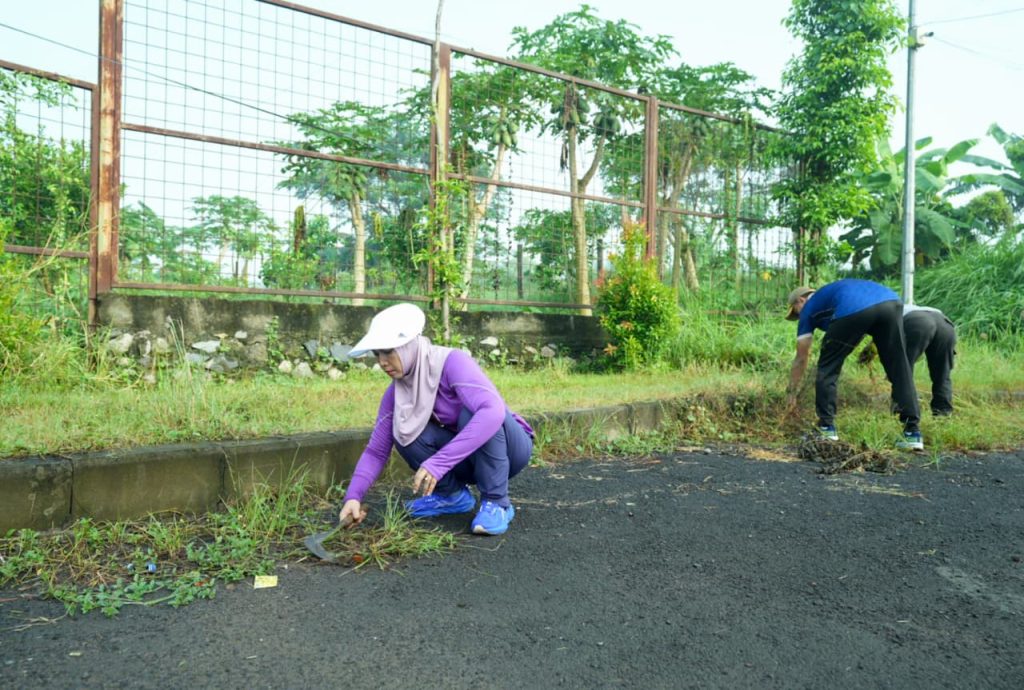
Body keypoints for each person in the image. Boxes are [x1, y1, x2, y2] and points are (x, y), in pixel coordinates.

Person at [338, 303, 533, 535]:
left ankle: (497, 501)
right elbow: (376, 451)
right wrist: (353, 497)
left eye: (389, 351)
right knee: (402, 427)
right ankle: (451, 496)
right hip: (466, 460)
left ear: (410, 345)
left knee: (472, 412)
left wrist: (439, 463)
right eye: (377, 354)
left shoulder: (452, 362)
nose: (382, 361)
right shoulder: (397, 393)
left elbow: (492, 411)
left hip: (509, 450)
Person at [785, 279, 924, 450]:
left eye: (796, 312)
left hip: (854, 308)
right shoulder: (832, 293)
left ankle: (826, 428)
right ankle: (912, 433)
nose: (799, 316)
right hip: (891, 303)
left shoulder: (809, 308)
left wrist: (791, 391)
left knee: (827, 368)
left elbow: (801, 357)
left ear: (801, 300)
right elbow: (859, 325)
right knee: (899, 368)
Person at [902, 304, 956, 417]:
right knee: (942, 374)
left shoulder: (883, 312)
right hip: (945, 324)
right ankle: (943, 413)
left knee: (903, 369)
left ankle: (903, 410)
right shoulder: (903, 307)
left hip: (918, 322)